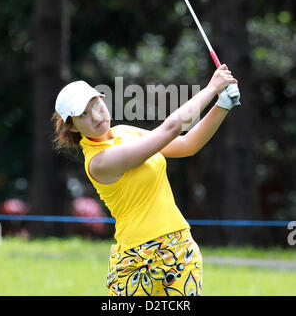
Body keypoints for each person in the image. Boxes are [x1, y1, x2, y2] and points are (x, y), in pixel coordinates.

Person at [52, 64, 240, 296]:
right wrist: (211, 89)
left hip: (181, 248)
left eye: (96, 104)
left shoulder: (124, 132)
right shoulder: (98, 162)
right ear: (71, 126)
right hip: (137, 260)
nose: (97, 116)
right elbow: (170, 129)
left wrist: (223, 105)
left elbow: (186, 145)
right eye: (83, 114)